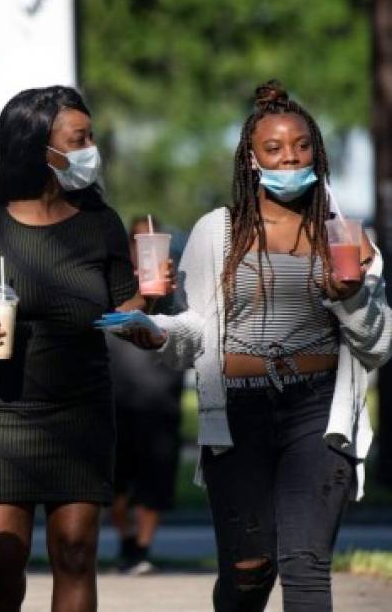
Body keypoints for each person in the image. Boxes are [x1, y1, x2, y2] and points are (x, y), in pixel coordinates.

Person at [125, 80, 392, 611]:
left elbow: (377, 343)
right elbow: (198, 331)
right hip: (238, 413)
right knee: (249, 572)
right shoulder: (217, 232)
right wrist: (156, 333)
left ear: (317, 151)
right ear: (252, 159)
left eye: (301, 147)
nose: (290, 159)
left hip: (316, 410)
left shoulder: (345, 238)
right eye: (274, 149)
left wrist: (351, 297)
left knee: (305, 567)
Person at [0, 86, 155, 611]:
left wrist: (147, 308)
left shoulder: (101, 222)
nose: (91, 149)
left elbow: (127, 307)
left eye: (91, 137)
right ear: (37, 147)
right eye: (79, 139)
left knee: (76, 553)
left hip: (81, 411)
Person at [108, 216, 184, 575]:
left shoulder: (176, 286)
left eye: (155, 240)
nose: (148, 247)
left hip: (160, 400)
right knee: (115, 484)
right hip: (114, 399)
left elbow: (191, 330)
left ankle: (142, 548)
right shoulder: (112, 281)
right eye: (141, 241)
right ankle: (126, 540)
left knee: (155, 483)